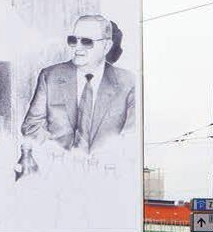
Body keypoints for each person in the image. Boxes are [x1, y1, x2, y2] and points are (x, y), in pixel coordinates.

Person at [21, 14, 136, 154]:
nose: (77, 48)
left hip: (107, 169)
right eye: (73, 40)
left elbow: (131, 137)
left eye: (87, 42)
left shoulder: (128, 82)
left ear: (106, 46)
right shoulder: (50, 76)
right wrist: (60, 155)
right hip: (59, 167)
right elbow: (31, 127)